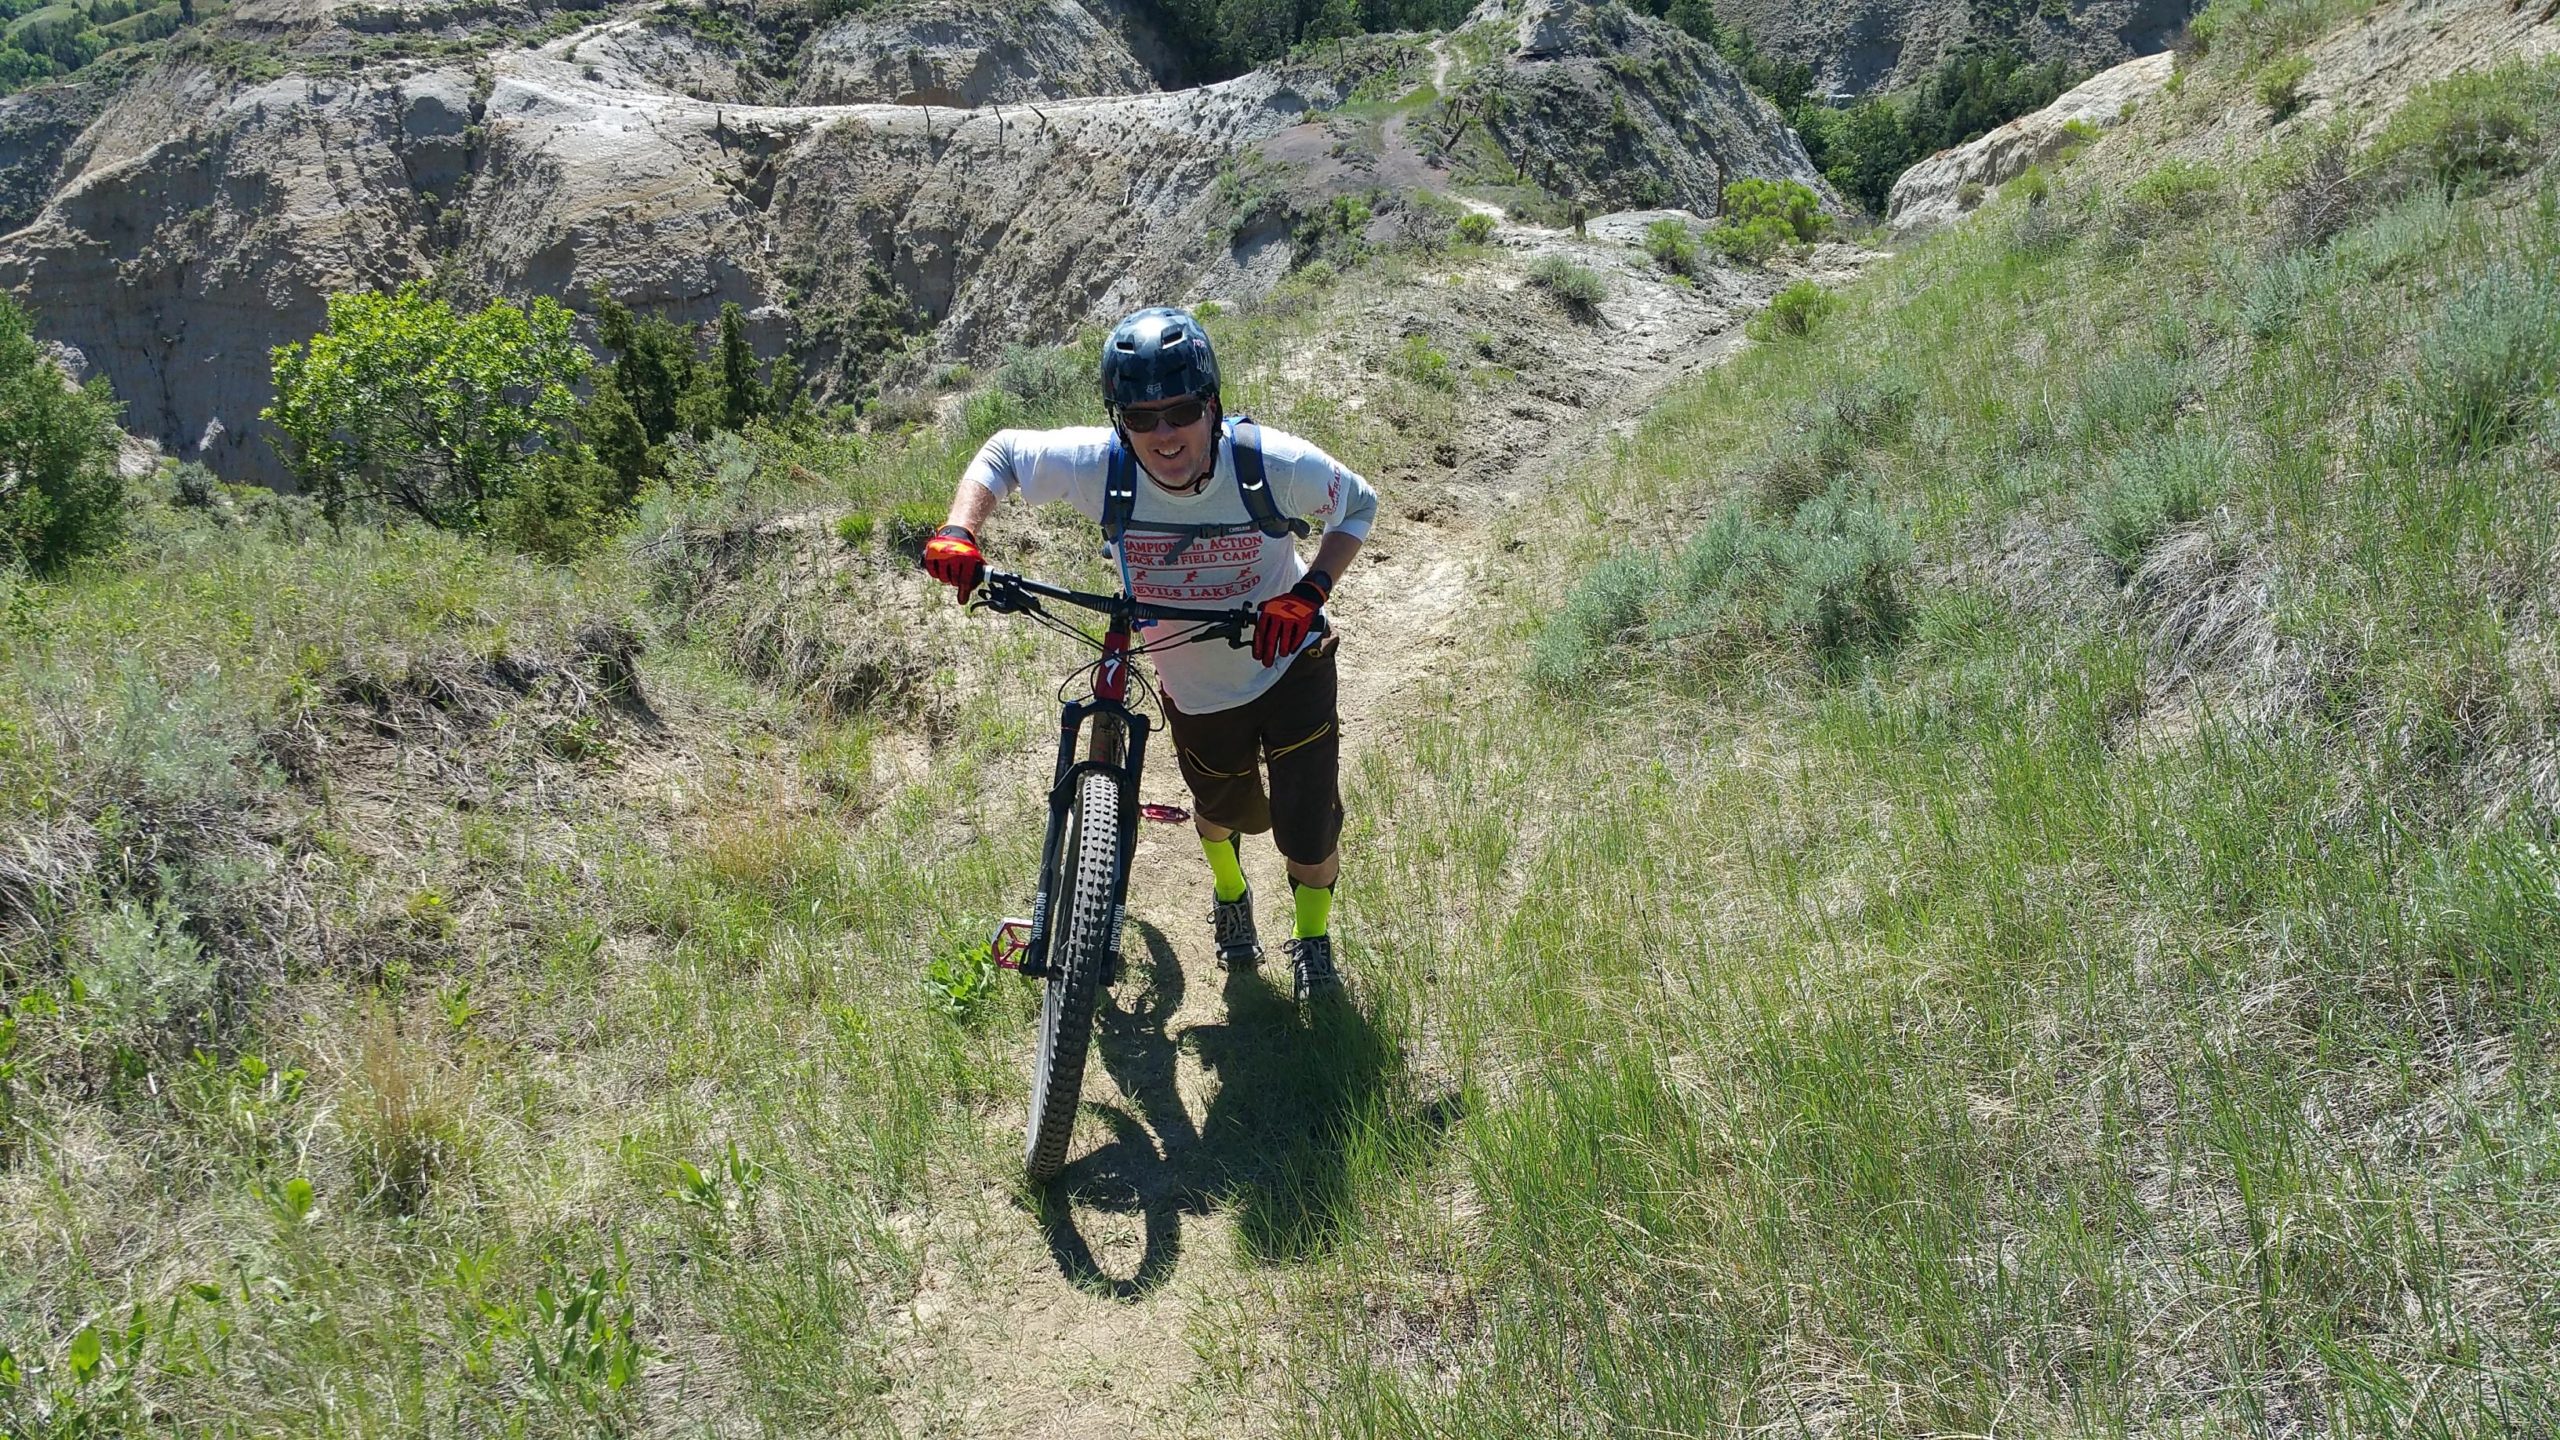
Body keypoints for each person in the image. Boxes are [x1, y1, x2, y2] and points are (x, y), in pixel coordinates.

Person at [920, 306, 1378, 1002]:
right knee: (1225, 812)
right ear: (1118, 421)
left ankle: (1312, 943)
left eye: (1182, 410)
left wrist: (1311, 591)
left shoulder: (1268, 464)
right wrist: (960, 530)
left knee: (1306, 831)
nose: (1164, 434)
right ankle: (1231, 893)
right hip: (1195, 688)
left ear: (1212, 405)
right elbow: (1002, 454)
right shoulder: (1101, 467)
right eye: (1140, 418)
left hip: (1290, 666)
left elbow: (1359, 505)